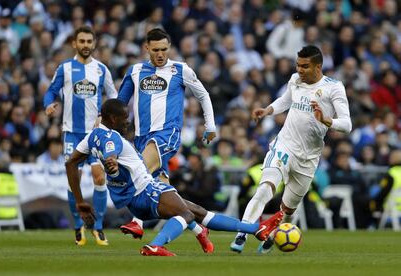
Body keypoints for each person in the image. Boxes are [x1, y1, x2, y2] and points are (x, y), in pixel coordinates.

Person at [65, 99, 283, 256]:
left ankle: (256, 229)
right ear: (113, 119)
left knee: (197, 211)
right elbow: (110, 151)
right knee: (187, 215)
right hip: (147, 191)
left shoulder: (91, 136)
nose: (128, 122)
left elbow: (71, 163)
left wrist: (79, 201)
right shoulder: (111, 137)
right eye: (124, 118)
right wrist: (111, 161)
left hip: (130, 200)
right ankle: (156, 245)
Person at [230, 45, 352, 253]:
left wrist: (326, 119)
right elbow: (285, 101)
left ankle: (272, 236)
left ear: (318, 67)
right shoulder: (295, 80)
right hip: (284, 145)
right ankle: (242, 233)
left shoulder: (334, 87)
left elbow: (347, 125)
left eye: (305, 66)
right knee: (266, 187)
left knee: (288, 209)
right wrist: (268, 110)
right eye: (298, 65)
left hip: (309, 157)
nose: (300, 70)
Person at [117, 28, 217, 252]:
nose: (160, 54)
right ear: (147, 48)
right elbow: (121, 102)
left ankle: (138, 222)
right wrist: (105, 121)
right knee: (168, 198)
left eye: (164, 49)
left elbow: (203, 94)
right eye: (155, 50)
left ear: (169, 48)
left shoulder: (180, 69)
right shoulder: (134, 71)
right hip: (141, 138)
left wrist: (210, 125)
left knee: (138, 171)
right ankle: (199, 230)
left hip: (166, 135)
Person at [43, 26, 117, 246]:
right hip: (72, 134)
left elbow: (113, 95)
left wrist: (104, 114)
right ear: (74, 44)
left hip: (95, 135)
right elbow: (50, 91)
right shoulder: (65, 68)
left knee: (99, 177)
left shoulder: (102, 69)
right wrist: (49, 104)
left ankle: (99, 226)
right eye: (82, 41)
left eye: (89, 41)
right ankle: (78, 226)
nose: (86, 45)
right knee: (73, 181)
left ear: (93, 44)